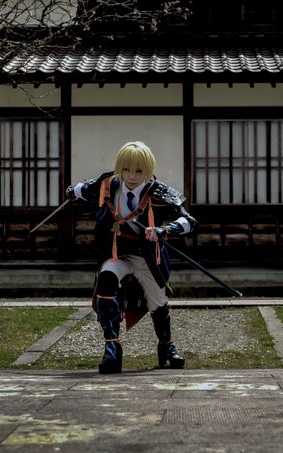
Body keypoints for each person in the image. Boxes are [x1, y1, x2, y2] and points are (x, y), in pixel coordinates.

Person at [66, 141, 198, 374]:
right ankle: (112, 348)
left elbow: (189, 221)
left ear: (147, 170)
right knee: (106, 279)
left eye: (138, 170)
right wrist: (74, 190)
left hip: (147, 257)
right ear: (120, 168)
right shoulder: (108, 185)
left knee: (157, 300)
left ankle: (166, 345)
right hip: (117, 254)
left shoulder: (159, 192)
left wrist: (163, 230)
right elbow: (78, 190)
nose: (132, 176)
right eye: (126, 169)